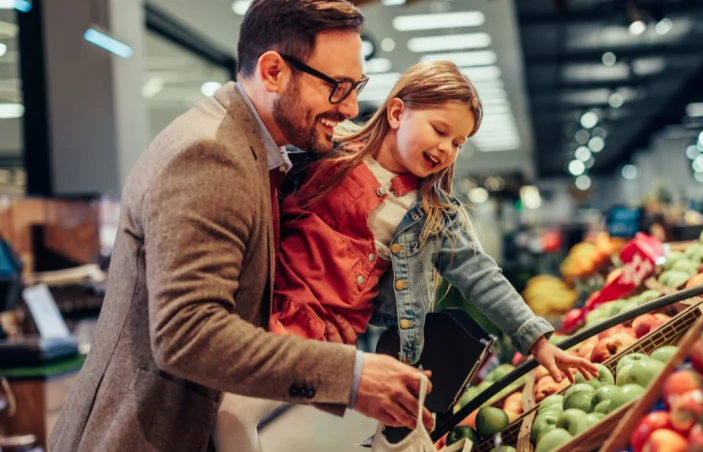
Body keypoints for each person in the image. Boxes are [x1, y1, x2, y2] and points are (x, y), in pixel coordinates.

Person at [49, 2, 433, 451]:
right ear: (273, 72)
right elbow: (187, 333)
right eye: (337, 87)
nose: (350, 107)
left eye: (356, 87)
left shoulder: (255, 155)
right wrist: (349, 376)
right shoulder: (211, 156)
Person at [212, 60, 598, 452]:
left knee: (233, 412)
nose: (447, 148)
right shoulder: (326, 154)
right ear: (397, 113)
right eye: (440, 130)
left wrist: (537, 340)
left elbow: (481, 275)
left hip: (317, 335)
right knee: (220, 407)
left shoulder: (434, 215)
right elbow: (258, 181)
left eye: (458, 143)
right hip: (257, 306)